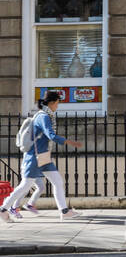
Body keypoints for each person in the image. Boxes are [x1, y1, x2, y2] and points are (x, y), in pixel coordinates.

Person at [0, 91, 83, 221]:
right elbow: (51, 135)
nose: (58, 106)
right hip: (34, 157)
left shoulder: (46, 116)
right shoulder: (43, 117)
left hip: (43, 157)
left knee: (58, 182)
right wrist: (69, 141)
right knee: (25, 185)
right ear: (52, 103)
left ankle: (64, 211)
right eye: (57, 103)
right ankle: (3, 209)